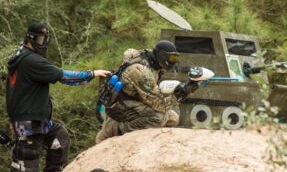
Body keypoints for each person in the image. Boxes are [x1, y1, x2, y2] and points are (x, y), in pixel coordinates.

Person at [6, 22, 110, 172]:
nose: (43, 44)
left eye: (45, 39)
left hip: (35, 119)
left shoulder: (20, 55)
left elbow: (14, 91)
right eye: (40, 40)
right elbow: (63, 76)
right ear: (30, 38)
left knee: (59, 138)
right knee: (27, 160)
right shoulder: (32, 60)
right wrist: (92, 74)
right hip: (29, 122)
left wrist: (13, 117)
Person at [95, 40, 198, 143]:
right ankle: (118, 128)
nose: (173, 61)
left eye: (175, 58)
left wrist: (177, 90)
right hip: (119, 107)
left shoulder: (153, 61)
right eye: (171, 57)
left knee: (173, 118)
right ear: (162, 55)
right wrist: (182, 94)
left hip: (134, 101)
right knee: (158, 118)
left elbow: (154, 91)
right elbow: (159, 104)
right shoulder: (141, 71)